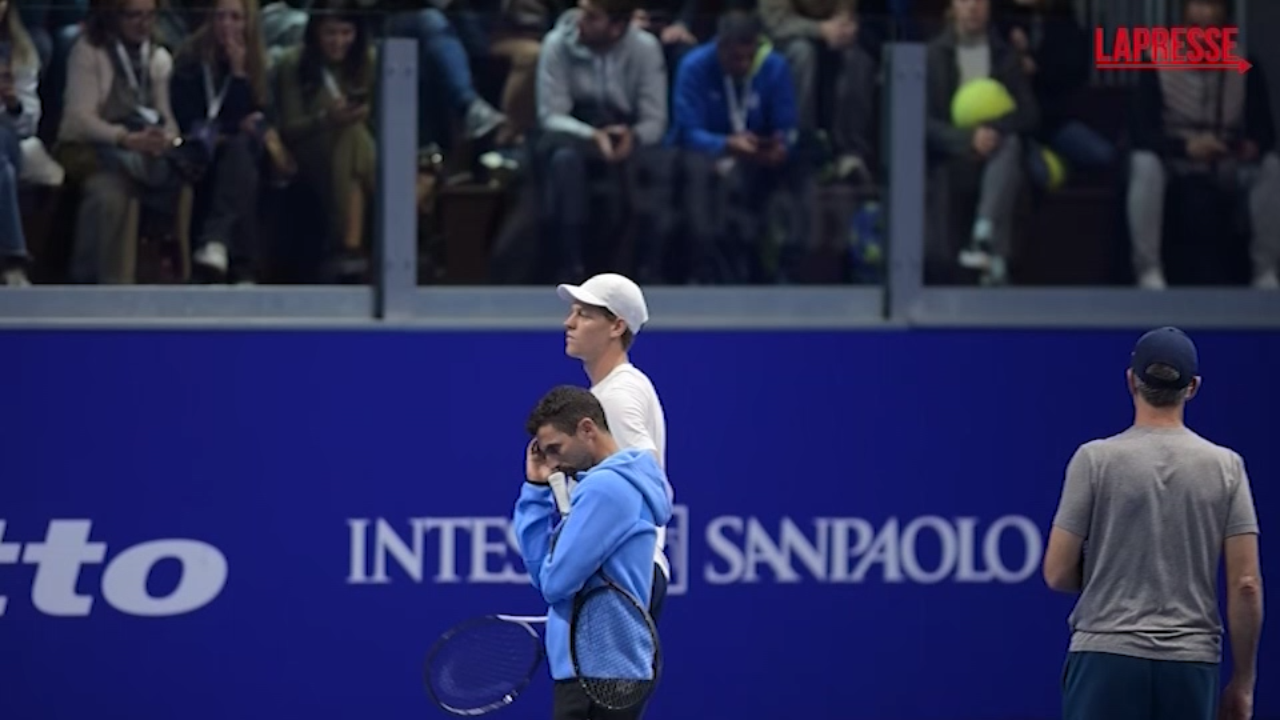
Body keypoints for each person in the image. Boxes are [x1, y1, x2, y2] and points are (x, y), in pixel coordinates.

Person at [1044, 326, 1263, 720]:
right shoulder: (1226, 468)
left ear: (1131, 381)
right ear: (1192, 387)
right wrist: (1244, 682)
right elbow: (1246, 585)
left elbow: (1057, 572)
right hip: (1189, 664)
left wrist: (1114, 569)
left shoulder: (1094, 460)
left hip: (1105, 660)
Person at [513, 385, 673, 720]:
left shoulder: (607, 489)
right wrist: (535, 490)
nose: (553, 463)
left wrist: (551, 573)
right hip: (599, 671)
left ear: (587, 429)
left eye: (556, 448)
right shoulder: (606, 487)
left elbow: (555, 584)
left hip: (598, 673)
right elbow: (545, 574)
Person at [556, 273, 672, 621]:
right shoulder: (612, 391)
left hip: (624, 578)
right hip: (620, 576)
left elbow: (648, 482)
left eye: (585, 314)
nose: (569, 322)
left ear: (616, 326)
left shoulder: (617, 397)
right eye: (572, 312)